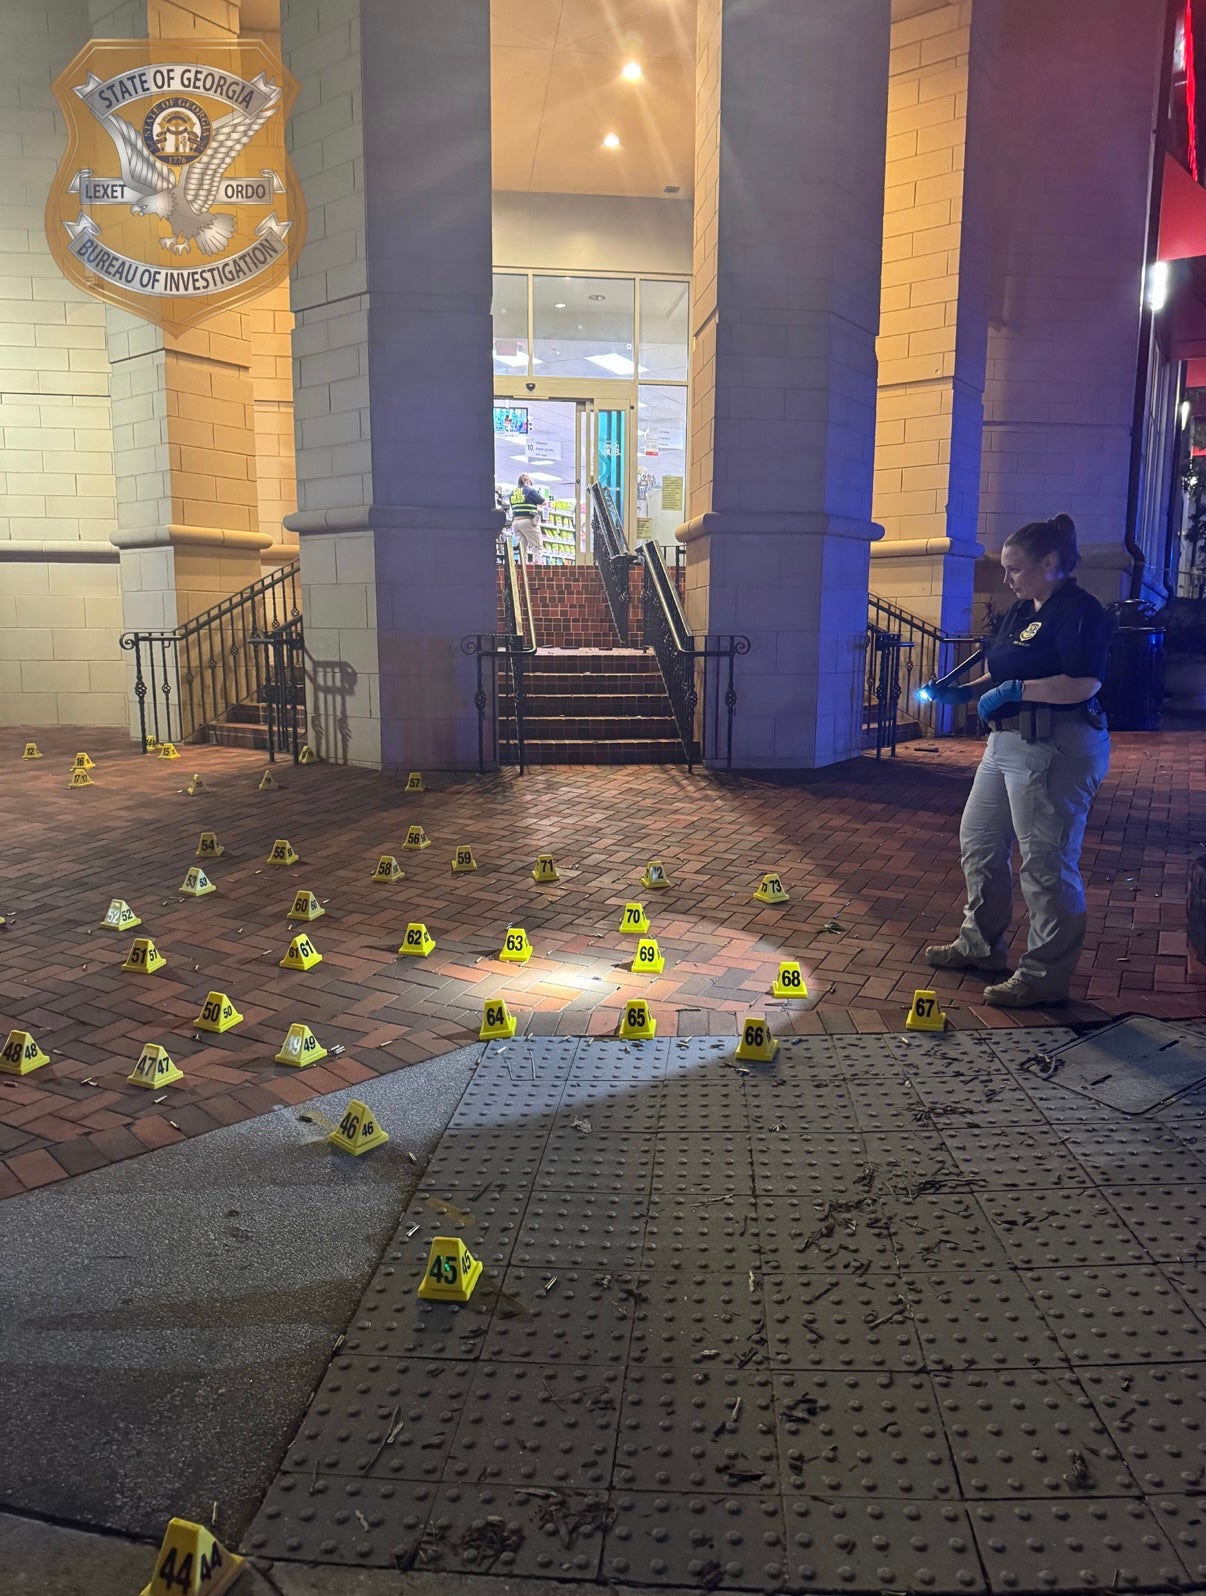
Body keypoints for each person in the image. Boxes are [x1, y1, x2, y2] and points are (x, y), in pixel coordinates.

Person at [925, 514, 1112, 1007]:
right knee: (980, 843)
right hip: (1005, 743)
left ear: (1050, 562)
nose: (1007, 578)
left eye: (1015, 569)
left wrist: (1016, 691)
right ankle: (981, 946)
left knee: (1046, 863)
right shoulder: (1023, 609)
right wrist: (965, 692)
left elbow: (1083, 682)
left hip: (1056, 746)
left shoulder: (1079, 611)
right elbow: (1002, 668)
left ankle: (1044, 976)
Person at [509, 473, 546, 563]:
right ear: (526, 481)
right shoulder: (530, 491)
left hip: (516, 522)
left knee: (522, 548)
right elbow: (543, 502)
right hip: (528, 521)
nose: (530, 484)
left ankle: (522, 567)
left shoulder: (512, 493)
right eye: (530, 482)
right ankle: (537, 567)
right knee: (537, 546)